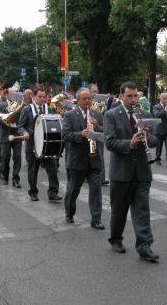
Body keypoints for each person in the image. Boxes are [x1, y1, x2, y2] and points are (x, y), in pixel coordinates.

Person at [104, 81, 159, 262]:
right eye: (129, 96)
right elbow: (110, 142)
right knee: (119, 210)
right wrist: (131, 142)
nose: (133, 99)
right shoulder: (111, 115)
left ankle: (144, 246)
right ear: (121, 96)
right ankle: (116, 238)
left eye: (135, 95)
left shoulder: (144, 113)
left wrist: (148, 137)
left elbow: (155, 140)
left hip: (142, 170)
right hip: (122, 171)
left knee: (142, 210)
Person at [63, 87, 104, 229]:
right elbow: (66, 136)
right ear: (78, 100)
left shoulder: (97, 115)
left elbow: (105, 133)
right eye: (84, 99)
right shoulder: (69, 115)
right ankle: (69, 213)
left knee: (96, 191)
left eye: (89, 98)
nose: (88, 101)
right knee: (73, 189)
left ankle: (96, 219)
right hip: (77, 159)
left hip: (94, 159)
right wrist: (80, 134)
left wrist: (96, 125)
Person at [17, 87, 62, 202]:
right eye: (40, 97)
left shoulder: (50, 109)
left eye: (44, 97)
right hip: (32, 146)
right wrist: (25, 132)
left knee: (52, 170)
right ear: (34, 97)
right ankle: (33, 192)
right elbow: (20, 126)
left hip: (48, 146)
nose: (42, 99)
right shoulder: (27, 109)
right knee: (33, 171)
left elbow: (55, 124)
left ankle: (53, 193)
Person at [0, 92, 22, 187]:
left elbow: (23, 120)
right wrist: (7, 119)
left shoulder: (20, 105)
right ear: (7, 94)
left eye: (15, 93)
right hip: (5, 133)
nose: (14, 96)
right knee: (5, 157)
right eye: (12, 94)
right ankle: (6, 177)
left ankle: (16, 179)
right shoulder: (1, 105)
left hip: (16, 133)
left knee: (17, 157)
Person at [87, 83, 109, 186]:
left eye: (97, 91)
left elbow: (104, 126)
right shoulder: (85, 105)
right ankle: (87, 176)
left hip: (97, 135)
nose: (96, 94)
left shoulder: (100, 107)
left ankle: (102, 178)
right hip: (87, 135)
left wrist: (102, 109)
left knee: (100, 156)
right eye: (94, 91)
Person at [152, 92, 167, 166]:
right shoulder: (156, 106)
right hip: (159, 129)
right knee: (159, 146)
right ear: (160, 98)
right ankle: (157, 159)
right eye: (164, 98)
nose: (165, 100)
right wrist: (165, 110)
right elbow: (157, 115)